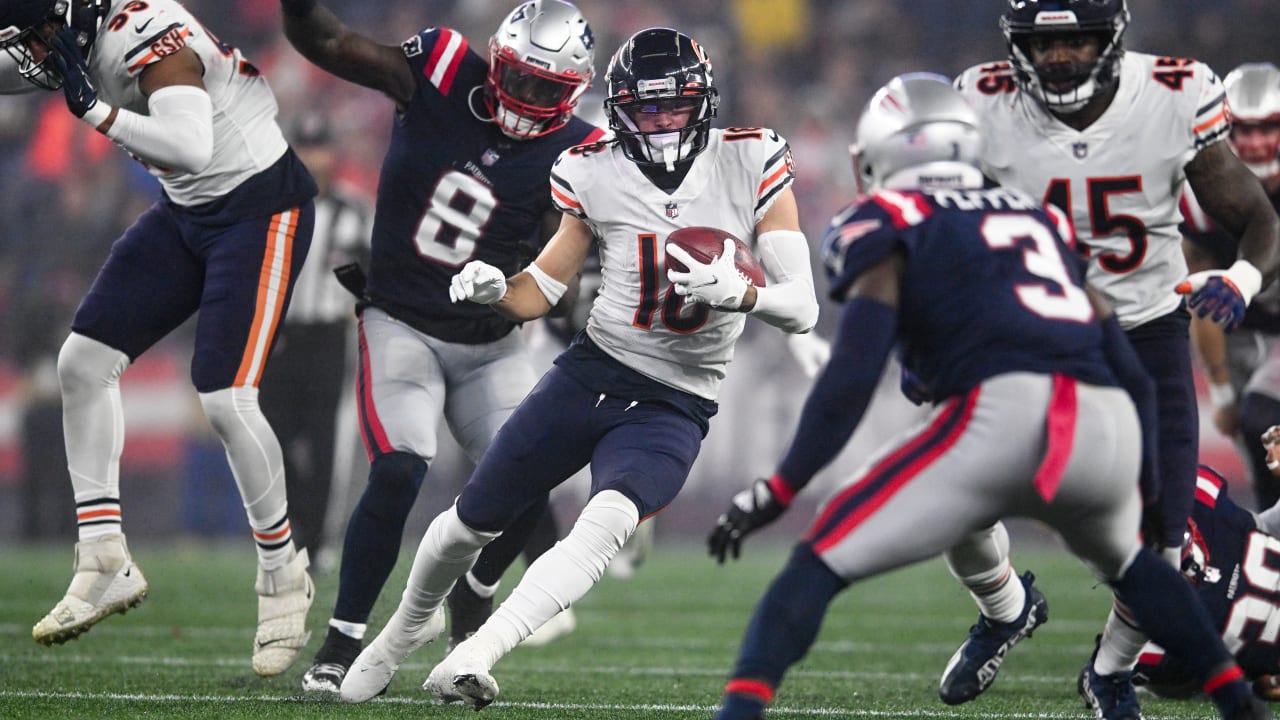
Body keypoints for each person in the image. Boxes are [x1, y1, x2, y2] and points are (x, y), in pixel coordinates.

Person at [706, 72, 1268, 720]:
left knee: (815, 563)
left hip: (1005, 417)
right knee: (1137, 566)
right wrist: (1144, 484)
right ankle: (1237, 706)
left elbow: (854, 370)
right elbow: (1125, 362)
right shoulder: (1039, 216)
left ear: (876, 158)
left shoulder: (885, 217)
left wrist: (779, 488)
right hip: (1102, 417)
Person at [337, 26, 820, 707]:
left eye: (674, 106)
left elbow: (801, 307)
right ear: (618, 108)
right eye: (644, 108)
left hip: (675, 399)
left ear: (704, 103)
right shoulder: (593, 167)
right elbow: (542, 287)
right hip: (592, 372)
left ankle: (477, 652)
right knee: (469, 520)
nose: (659, 121)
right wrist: (496, 289)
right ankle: (398, 636)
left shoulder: (752, 160)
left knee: (607, 524)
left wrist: (745, 294)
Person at [933, 2, 1280, 715]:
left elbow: (1256, 219)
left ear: (1112, 38)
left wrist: (1242, 280)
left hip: (1145, 334)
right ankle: (1006, 607)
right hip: (1026, 333)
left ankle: (1111, 671)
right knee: (951, 501)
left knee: (1166, 544)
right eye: (1044, 42)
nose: (1059, 57)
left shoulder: (1175, 94)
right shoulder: (980, 101)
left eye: (1077, 39)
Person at [277, 0, 606, 693]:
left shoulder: (579, 150)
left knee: (526, 474)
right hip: (401, 321)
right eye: (518, 78)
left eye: (547, 90)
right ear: (495, 59)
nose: (526, 99)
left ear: (572, 91)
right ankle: (340, 643)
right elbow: (330, 40)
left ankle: (473, 599)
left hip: (490, 343)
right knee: (399, 468)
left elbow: (568, 263)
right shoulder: (443, 72)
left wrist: (558, 287)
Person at [5, 0, 319, 676]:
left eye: (34, 35)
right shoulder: (68, 26)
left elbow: (191, 145)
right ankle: (103, 558)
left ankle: (282, 575)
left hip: (258, 205)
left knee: (226, 397)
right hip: (187, 210)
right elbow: (15, 64)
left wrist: (96, 114)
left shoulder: (149, 37)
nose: (29, 51)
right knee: (82, 363)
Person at [258, 111, 372, 558]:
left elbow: (370, 278)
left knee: (326, 440)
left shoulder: (353, 212)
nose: (312, 158)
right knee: (273, 436)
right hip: (282, 335)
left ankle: (319, 540)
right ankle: (294, 525)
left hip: (329, 335)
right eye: (305, 149)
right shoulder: (273, 209)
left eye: (318, 148)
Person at [1182, 62, 1280, 511]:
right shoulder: (1203, 191)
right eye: (1244, 129)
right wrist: (1220, 390)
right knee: (1259, 458)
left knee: (1262, 413)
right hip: (1239, 336)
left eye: (1269, 128)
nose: (1256, 142)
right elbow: (1200, 298)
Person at [1128, 463, 1280, 703]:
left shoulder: (1190, 619)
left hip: (1254, 656)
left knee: (1177, 676)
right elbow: (1196, 474)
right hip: (1254, 543)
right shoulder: (1214, 519)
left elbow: (1128, 666)